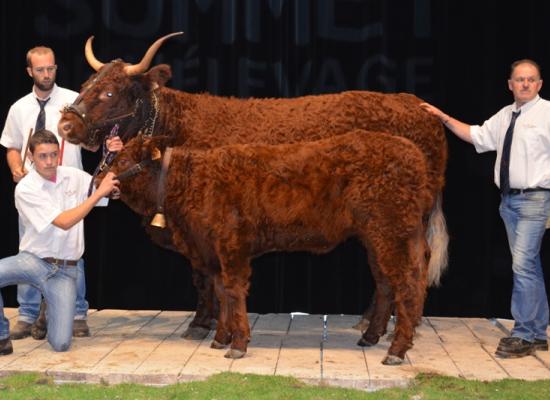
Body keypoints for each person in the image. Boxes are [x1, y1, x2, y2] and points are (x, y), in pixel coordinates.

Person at [421, 59, 550, 358]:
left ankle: (523, 334)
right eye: (520, 79)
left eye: (531, 79)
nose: (526, 84)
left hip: (535, 199)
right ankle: (538, 330)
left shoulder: (547, 114)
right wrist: (442, 117)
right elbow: (476, 135)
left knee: (522, 265)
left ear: (540, 84)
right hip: (509, 201)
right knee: (529, 266)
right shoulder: (506, 116)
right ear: (510, 84)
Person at [0, 130, 119, 355]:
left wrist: (112, 156)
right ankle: (1, 336)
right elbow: (64, 221)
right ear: (31, 158)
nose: (50, 161)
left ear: (60, 153)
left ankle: (49, 308)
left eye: (54, 155)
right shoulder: (26, 188)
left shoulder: (73, 175)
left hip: (65, 270)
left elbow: (103, 188)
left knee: (61, 344)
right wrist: (97, 194)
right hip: (33, 261)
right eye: (43, 156)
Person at [0, 46, 90, 340]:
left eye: (51, 68)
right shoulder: (19, 108)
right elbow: (12, 146)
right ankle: (27, 314)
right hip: (34, 192)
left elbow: (90, 139)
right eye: (40, 69)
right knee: (30, 249)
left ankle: (76, 312)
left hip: (66, 188)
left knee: (71, 248)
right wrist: (16, 170)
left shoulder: (73, 101)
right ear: (30, 72)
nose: (47, 74)